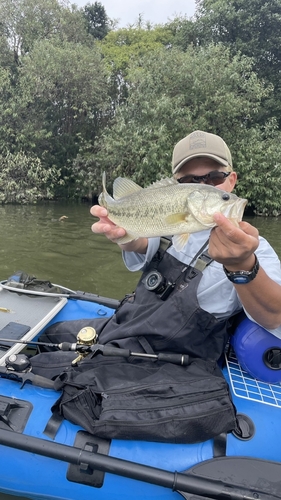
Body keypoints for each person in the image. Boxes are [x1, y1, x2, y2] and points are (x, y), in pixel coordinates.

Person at [90, 129, 281, 357]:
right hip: (130, 329)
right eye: (190, 180)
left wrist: (243, 265)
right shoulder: (167, 231)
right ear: (177, 185)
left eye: (214, 177)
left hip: (186, 357)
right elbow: (139, 243)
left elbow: (274, 317)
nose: (205, 184)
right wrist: (122, 235)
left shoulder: (255, 246)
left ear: (231, 180)